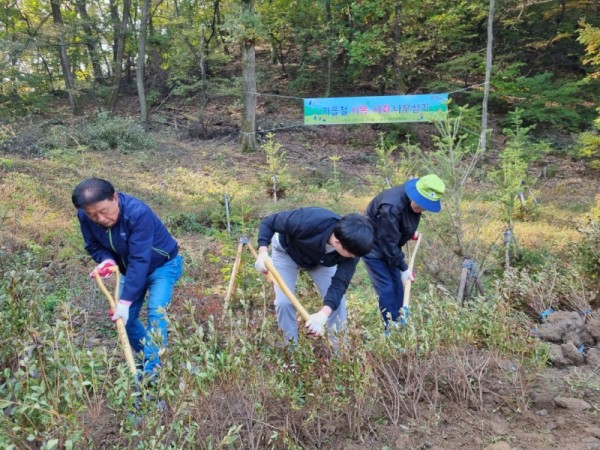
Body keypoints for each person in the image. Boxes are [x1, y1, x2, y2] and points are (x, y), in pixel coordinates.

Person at [72, 178, 183, 377]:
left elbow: (140, 259)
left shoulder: (137, 213)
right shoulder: (85, 216)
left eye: (103, 211)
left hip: (163, 266)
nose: (99, 219)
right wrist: (107, 260)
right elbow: (92, 245)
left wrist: (125, 300)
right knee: (126, 319)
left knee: (156, 314)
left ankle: (151, 378)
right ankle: (149, 359)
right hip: (129, 270)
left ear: (114, 198)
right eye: (92, 214)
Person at [255, 207, 374, 345]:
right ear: (337, 243)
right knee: (284, 303)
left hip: (320, 261)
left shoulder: (353, 248)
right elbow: (269, 222)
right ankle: (290, 351)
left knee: (337, 303)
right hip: (287, 253)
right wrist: (263, 253)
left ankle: (340, 354)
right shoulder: (309, 220)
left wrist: (323, 315)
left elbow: (340, 283)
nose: (354, 258)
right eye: (352, 255)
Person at [363, 174, 445, 332]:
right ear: (414, 195)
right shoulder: (391, 206)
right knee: (386, 288)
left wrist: (409, 233)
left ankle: (400, 322)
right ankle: (390, 328)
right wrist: (404, 267)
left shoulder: (413, 203)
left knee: (398, 286)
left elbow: (401, 223)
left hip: (390, 246)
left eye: (426, 206)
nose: (422, 209)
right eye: (421, 204)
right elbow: (387, 240)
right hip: (373, 246)